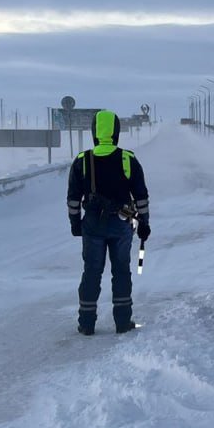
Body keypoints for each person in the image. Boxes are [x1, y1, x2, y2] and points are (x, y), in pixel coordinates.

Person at [67, 109, 150, 335]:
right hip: (121, 224)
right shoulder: (127, 159)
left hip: (92, 226)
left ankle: (86, 324)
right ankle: (123, 322)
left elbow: (73, 199)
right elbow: (141, 196)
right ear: (116, 132)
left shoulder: (82, 161)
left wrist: (75, 224)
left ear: (94, 132)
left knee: (91, 272)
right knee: (121, 271)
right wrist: (144, 222)